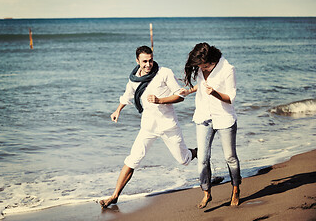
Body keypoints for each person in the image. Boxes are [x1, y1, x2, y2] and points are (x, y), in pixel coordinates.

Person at [99, 45, 197, 208]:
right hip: (148, 127)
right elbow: (127, 96)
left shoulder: (164, 72)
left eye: (150, 60)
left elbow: (180, 95)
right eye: (144, 61)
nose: (148, 64)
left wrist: (160, 100)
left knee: (183, 160)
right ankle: (115, 195)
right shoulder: (133, 79)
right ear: (137, 60)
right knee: (132, 160)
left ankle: (197, 152)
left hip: (168, 125)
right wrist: (117, 110)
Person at [180, 42, 241, 208]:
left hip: (224, 117)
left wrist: (214, 92)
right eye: (200, 66)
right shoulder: (202, 67)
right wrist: (189, 91)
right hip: (203, 116)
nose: (203, 69)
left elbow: (231, 97)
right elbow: (202, 85)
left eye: (205, 66)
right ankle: (206, 192)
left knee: (230, 157)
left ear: (212, 60)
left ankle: (235, 189)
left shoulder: (228, 69)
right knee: (203, 158)